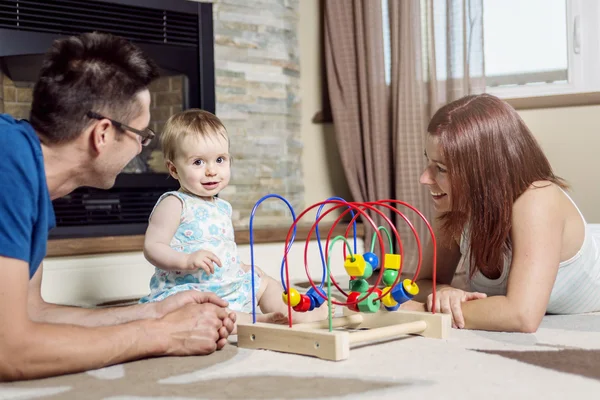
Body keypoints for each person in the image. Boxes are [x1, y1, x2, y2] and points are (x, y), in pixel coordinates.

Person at [0, 33, 236, 382]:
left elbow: (32, 313)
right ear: (103, 134)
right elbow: (10, 350)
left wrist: (154, 312)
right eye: (141, 135)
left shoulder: (28, 174)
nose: (141, 148)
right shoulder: (8, 165)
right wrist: (161, 335)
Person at [405, 93, 600, 333]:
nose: (424, 178)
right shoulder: (453, 207)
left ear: (485, 170)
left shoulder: (538, 199)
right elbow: (422, 285)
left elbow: (521, 315)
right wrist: (445, 293)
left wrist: (427, 310)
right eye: (429, 162)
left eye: (441, 168)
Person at [142, 109, 331, 330]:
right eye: (198, 162)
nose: (212, 170)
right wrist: (185, 260)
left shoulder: (222, 206)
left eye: (220, 160)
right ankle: (256, 321)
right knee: (202, 311)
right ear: (174, 169)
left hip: (228, 284)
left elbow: (221, 247)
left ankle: (293, 310)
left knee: (264, 282)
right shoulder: (175, 203)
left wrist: (240, 266)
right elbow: (152, 246)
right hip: (192, 289)